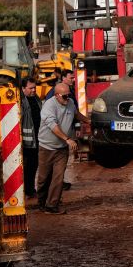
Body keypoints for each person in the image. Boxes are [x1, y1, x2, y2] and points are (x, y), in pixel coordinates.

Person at [37, 83, 89, 214]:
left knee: (58, 178)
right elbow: (53, 126)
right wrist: (67, 139)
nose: (67, 98)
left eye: (69, 95)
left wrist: (88, 120)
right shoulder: (49, 106)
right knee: (44, 178)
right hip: (46, 147)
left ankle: (51, 205)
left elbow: (76, 114)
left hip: (61, 150)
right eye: (64, 96)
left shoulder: (70, 102)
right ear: (56, 96)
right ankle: (41, 202)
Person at [19, 76, 42, 199]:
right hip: (26, 143)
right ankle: (26, 191)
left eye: (35, 87)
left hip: (36, 140)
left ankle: (30, 189)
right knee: (26, 167)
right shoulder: (21, 102)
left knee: (34, 166)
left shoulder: (36, 99)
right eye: (31, 88)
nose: (34, 90)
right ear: (23, 89)